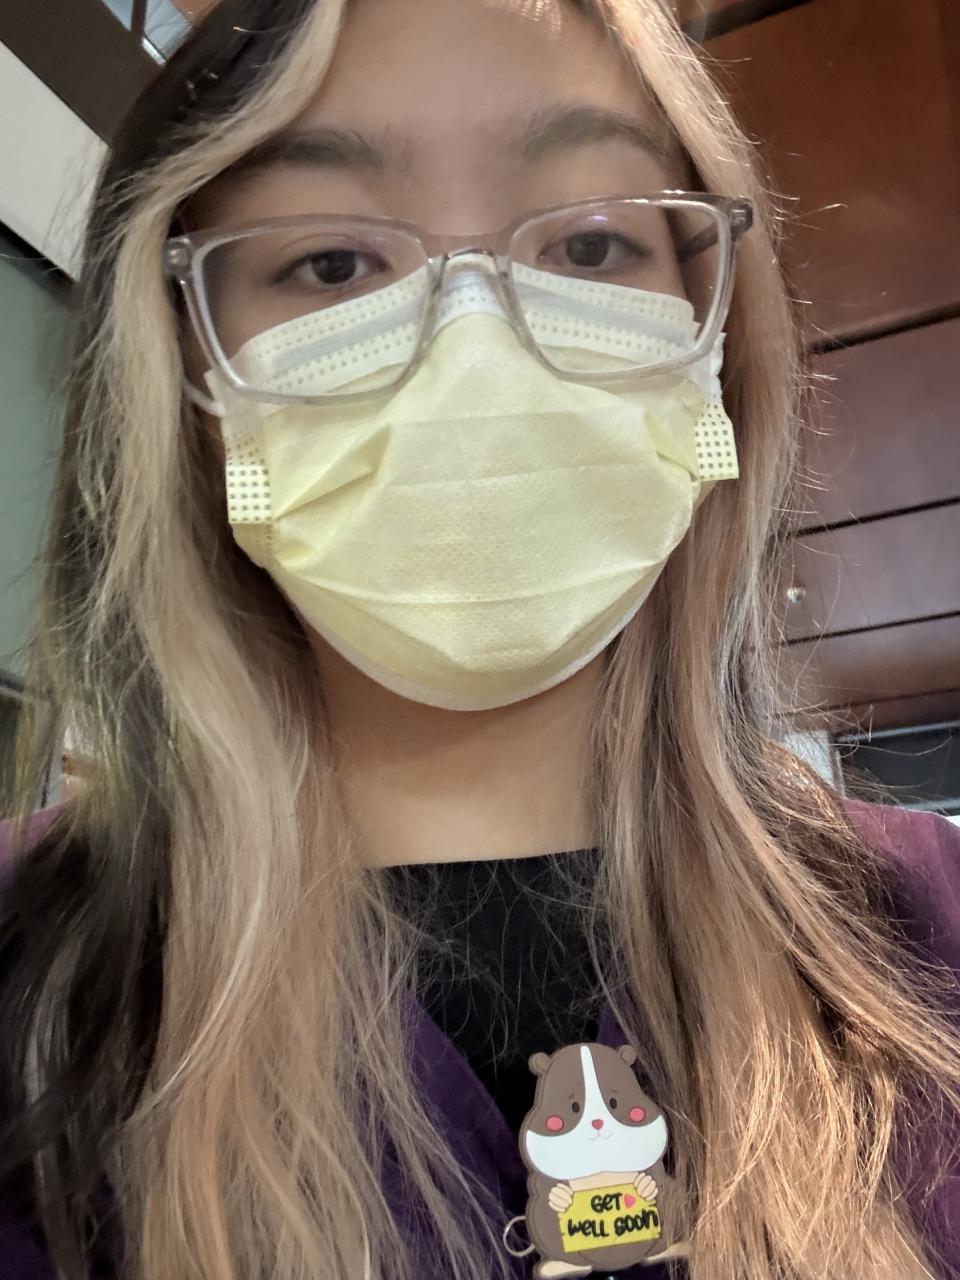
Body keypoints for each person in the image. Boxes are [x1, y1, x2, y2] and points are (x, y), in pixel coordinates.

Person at [0, 0, 958, 1277]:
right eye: (331, 263)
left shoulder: (929, 927)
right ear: (188, 375)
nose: (475, 345)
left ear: (710, 344)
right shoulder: (31, 978)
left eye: (591, 242)